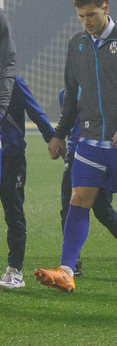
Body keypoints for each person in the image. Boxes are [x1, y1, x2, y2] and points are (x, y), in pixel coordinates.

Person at [36, 0, 117, 292]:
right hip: (89, 140)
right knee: (79, 199)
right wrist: (59, 133)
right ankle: (66, 271)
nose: (86, 22)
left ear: (105, 7)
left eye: (91, 15)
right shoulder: (77, 44)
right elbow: (72, 95)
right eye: (81, 17)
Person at [56, 87, 117, 277]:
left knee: (101, 207)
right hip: (76, 154)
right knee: (68, 206)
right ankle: (71, 262)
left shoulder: (105, 90)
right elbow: (68, 123)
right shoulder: (65, 94)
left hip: (101, 153)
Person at [1, 78, 54, 288]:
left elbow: (35, 111)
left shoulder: (14, 83)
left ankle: (15, 271)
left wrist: (51, 137)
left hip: (10, 159)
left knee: (13, 214)